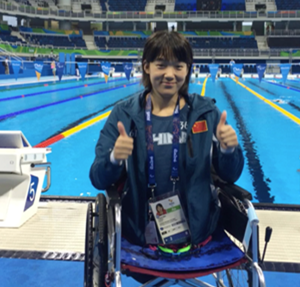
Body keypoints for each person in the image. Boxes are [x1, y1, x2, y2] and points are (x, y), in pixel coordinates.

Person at [90, 31, 244, 255]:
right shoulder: (124, 115)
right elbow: (97, 177)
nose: (170, 74)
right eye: (161, 65)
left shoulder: (205, 114)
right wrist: (114, 159)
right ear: (147, 66)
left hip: (199, 234)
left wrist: (228, 150)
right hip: (140, 235)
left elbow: (231, 176)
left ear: (188, 68)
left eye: (179, 66)